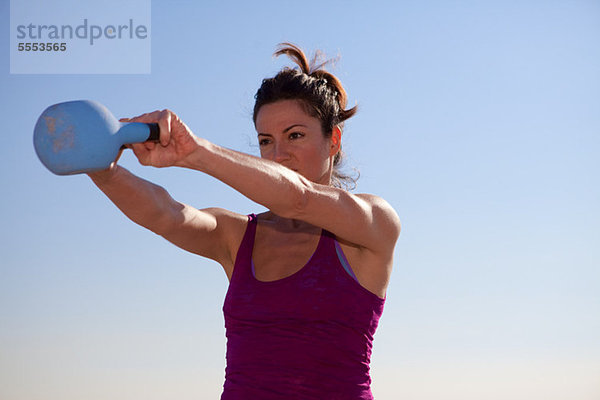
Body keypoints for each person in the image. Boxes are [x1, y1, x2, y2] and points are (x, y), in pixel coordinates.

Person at [88, 42, 401, 400]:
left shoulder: (373, 224)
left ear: (333, 140)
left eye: (295, 135)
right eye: (266, 141)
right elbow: (168, 215)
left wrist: (196, 152)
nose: (278, 155)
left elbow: (299, 198)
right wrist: (100, 168)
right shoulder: (238, 236)